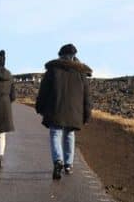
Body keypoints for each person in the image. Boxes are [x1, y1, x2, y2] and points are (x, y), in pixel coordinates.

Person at [35, 43, 92, 180]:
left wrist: (39, 106)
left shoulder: (53, 70)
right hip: (74, 112)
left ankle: (58, 161)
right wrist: (87, 114)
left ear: (60, 55)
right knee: (69, 135)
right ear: (74, 56)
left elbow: (43, 91)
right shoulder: (81, 73)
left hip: (55, 109)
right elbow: (87, 96)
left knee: (55, 134)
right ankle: (68, 164)